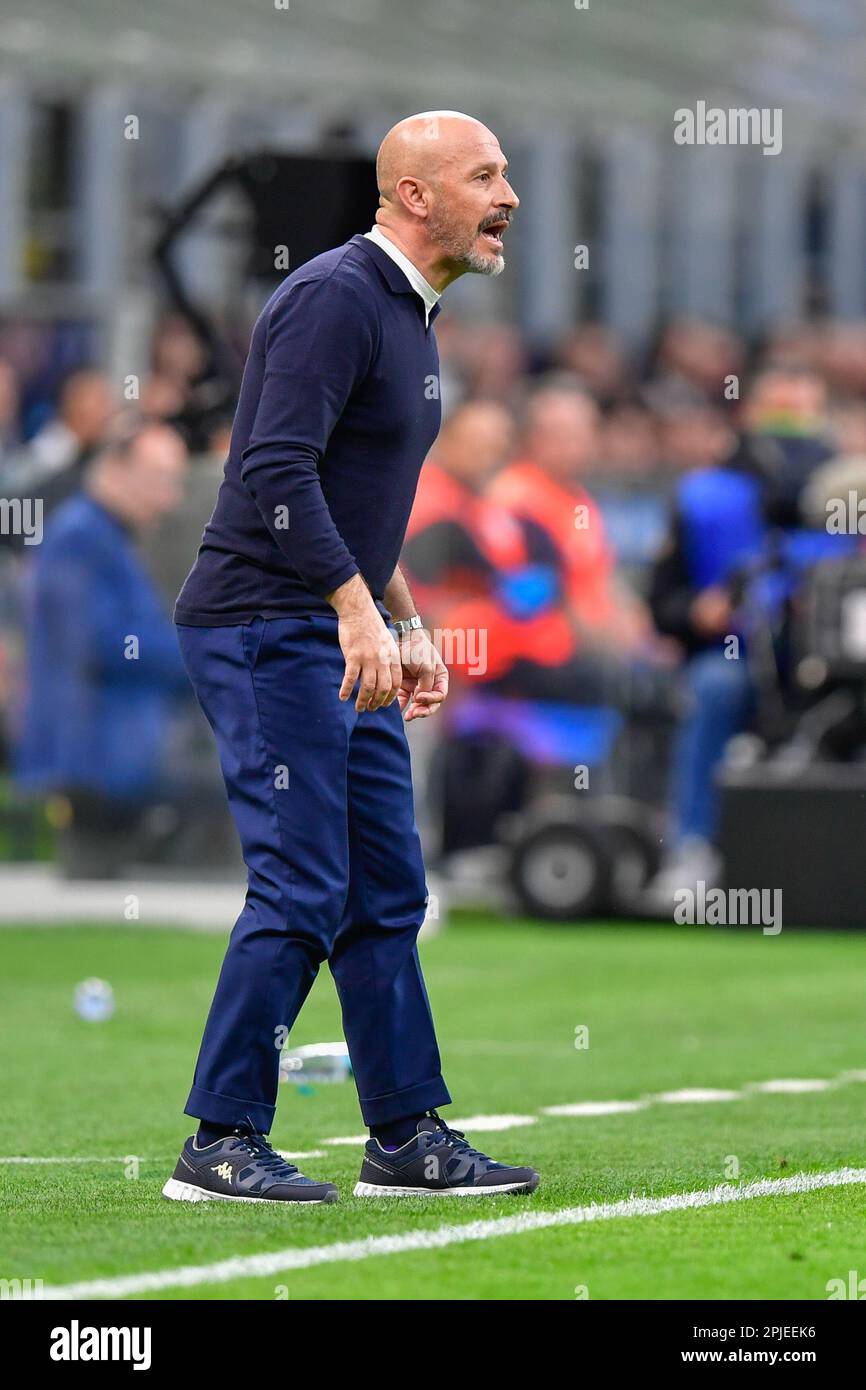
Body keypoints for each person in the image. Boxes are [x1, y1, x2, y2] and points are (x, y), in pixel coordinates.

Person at [164, 111, 539, 1205]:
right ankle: (219, 1138)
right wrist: (352, 608)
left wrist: (401, 615)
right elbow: (275, 471)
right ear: (413, 195)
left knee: (386, 887)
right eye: (485, 175)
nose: (508, 194)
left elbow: (351, 498)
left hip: (333, 621)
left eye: (506, 172)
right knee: (302, 881)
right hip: (262, 625)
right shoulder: (335, 296)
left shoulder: (408, 314)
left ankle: (403, 1137)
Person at [14, 420, 199, 874]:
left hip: (113, 754)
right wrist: (206, 659)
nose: (171, 497)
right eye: (161, 480)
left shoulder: (101, 536)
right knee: (93, 901)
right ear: (116, 469)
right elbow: (104, 642)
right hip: (96, 758)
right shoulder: (80, 535)